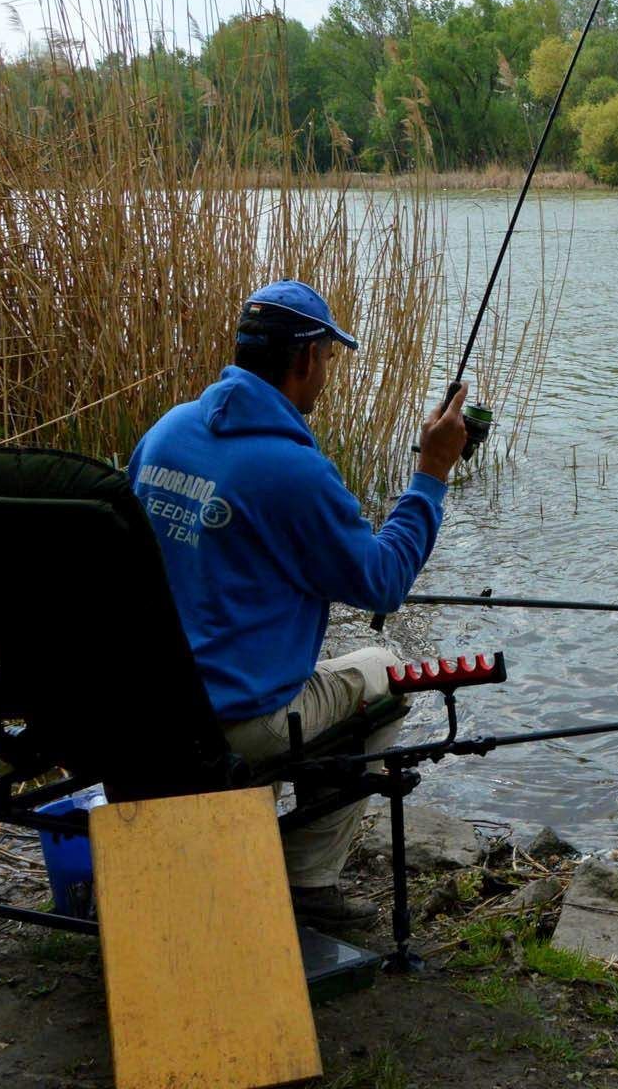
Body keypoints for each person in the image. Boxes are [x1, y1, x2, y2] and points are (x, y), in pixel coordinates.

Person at [126, 279, 470, 928]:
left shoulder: (168, 431)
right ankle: (305, 882)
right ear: (307, 358)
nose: (327, 377)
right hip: (226, 725)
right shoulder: (293, 471)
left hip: (146, 709)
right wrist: (431, 473)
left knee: (294, 666)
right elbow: (384, 581)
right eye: (329, 362)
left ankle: (234, 841)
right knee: (381, 674)